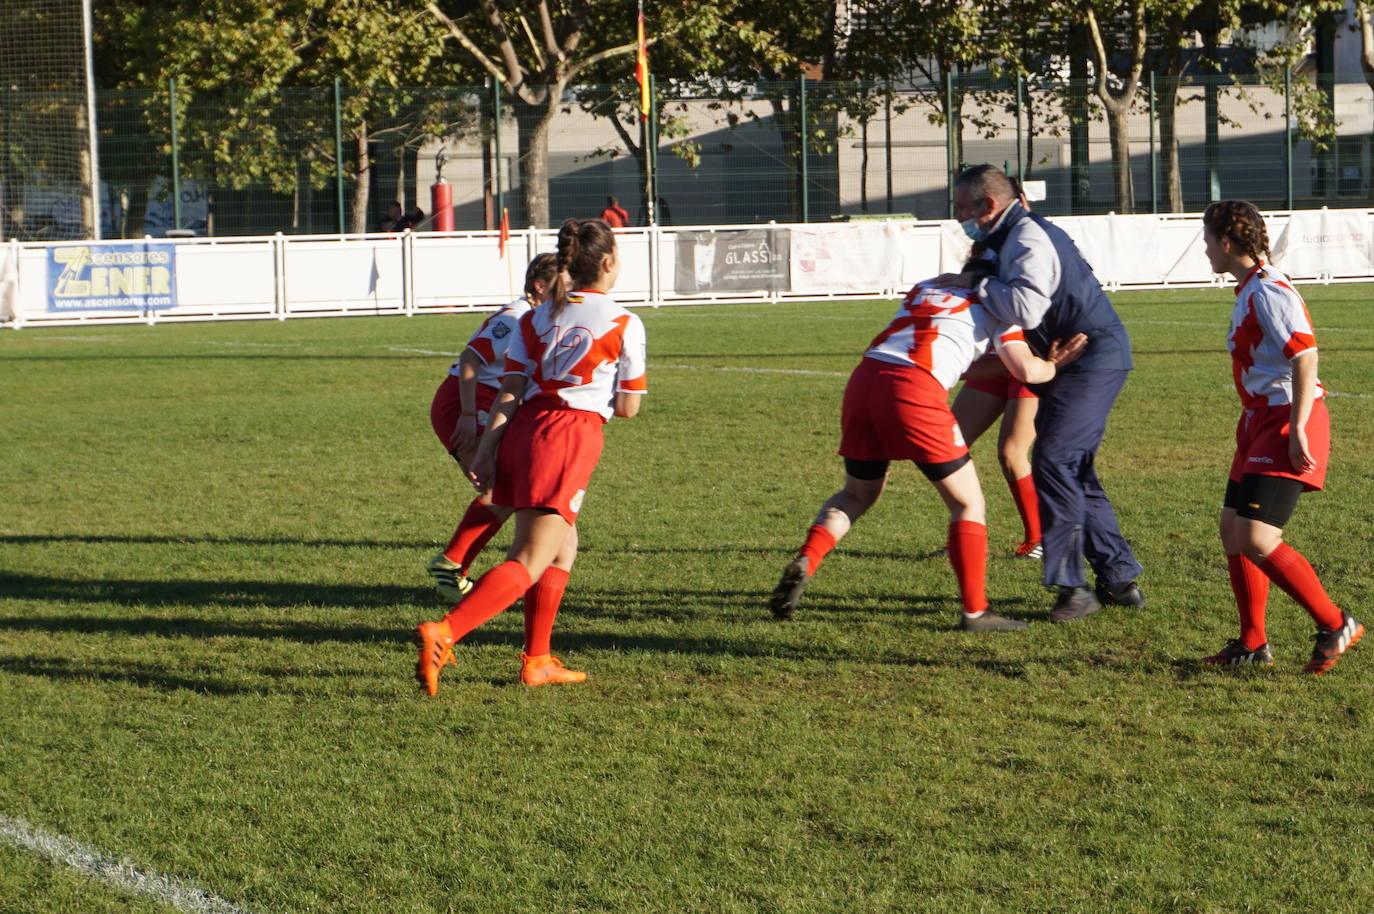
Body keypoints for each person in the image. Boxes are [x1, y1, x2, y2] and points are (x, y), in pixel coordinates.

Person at [769, 268, 1087, 632]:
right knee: (967, 504)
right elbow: (1027, 370)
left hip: (866, 379)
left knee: (856, 492)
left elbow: (954, 355)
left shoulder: (927, 287)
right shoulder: (1002, 304)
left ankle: (807, 559)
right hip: (914, 390)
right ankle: (975, 612)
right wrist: (1053, 364)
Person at [414, 218, 647, 693]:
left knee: (564, 545)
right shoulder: (624, 320)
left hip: (522, 430)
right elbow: (627, 407)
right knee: (529, 558)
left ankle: (537, 660)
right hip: (567, 436)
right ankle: (446, 631)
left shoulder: (534, 317)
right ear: (606, 263)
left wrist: (486, 448)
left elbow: (510, 389)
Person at [938, 164, 1143, 623]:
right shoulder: (999, 238)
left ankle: (1073, 587)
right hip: (1058, 359)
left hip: (1090, 355)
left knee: (1053, 459)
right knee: (1072, 467)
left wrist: (977, 284)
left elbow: (1027, 308)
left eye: (961, 207)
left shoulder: (1028, 236)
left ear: (988, 205)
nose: (957, 217)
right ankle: (1117, 577)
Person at [1198, 200, 1362, 673]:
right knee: (1233, 531)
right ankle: (1253, 643)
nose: (1206, 251)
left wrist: (1296, 427)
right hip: (1257, 420)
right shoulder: (1250, 288)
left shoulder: (1268, 291)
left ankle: (1335, 622)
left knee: (1256, 535)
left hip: (1286, 419)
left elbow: (1305, 356)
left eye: (1209, 242)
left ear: (1226, 244)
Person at [426, 253, 559, 601]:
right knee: (502, 487)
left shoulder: (538, 318)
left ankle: (456, 567)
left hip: (486, 403)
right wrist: (467, 416)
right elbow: (471, 358)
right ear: (540, 286)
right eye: (562, 284)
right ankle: (451, 566)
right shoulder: (516, 317)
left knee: (509, 488)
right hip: (462, 402)